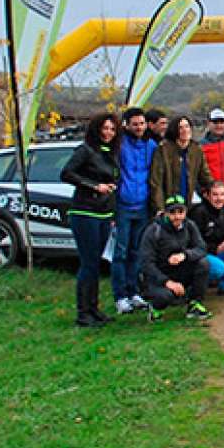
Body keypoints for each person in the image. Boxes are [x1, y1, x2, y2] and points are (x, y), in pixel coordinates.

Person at [61, 112, 121, 327]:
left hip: (104, 213)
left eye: (112, 129)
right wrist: (94, 186)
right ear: (96, 129)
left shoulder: (112, 153)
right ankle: (83, 313)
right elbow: (66, 173)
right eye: (105, 128)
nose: (108, 133)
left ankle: (94, 309)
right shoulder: (85, 150)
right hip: (85, 213)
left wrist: (113, 211)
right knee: (88, 264)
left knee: (97, 264)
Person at [139, 195, 212, 322]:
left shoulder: (189, 225)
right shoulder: (153, 230)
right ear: (165, 213)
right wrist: (167, 282)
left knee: (203, 264)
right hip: (158, 275)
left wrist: (185, 255)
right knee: (165, 296)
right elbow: (146, 263)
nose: (177, 216)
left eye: (180, 212)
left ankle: (195, 304)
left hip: (180, 270)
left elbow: (201, 248)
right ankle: (155, 309)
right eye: (172, 212)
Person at [112, 107, 155, 314]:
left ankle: (134, 292)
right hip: (123, 206)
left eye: (142, 123)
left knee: (136, 252)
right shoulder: (119, 146)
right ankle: (120, 296)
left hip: (143, 206)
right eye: (135, 124)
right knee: (120, 253)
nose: (139, 127)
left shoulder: (150, 145)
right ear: (126, 125)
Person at [148, 115, 214, 215]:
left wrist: (217, 194)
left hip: (189, 203)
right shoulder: (163, 149)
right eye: (180, 127)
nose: (185, 130)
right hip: (169, 203)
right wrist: (159, 208)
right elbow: (156, 182)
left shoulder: (196, 150)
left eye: (187, 126)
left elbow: (205, 176)